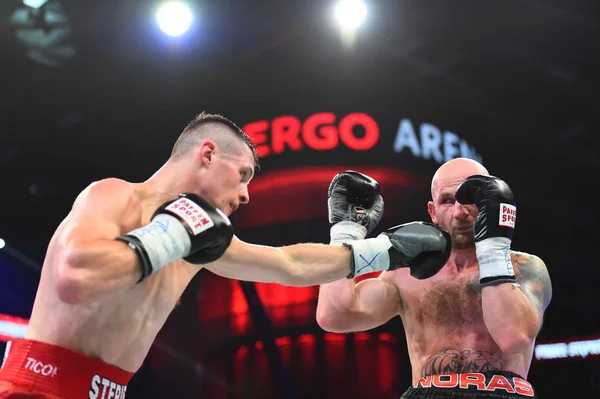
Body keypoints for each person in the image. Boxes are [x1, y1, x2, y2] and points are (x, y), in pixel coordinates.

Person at [0, 112, 451, 399]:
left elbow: (288, 265)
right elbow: (74, 276)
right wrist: (171, 235)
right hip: (37, 386)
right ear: (208, 154)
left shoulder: (196, 238)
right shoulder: (115, 197)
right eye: (243, 175)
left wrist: (384, 251)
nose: (246, 195)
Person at [317, 159, 552, 399]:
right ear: (433, 212)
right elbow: (335, 316)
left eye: (471, 199)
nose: (460, 212)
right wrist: (345, 233)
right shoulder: (406, 275)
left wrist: (492, 248)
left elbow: (513, 337)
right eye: (447, 201)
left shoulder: (524, 268)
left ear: (489, 204)